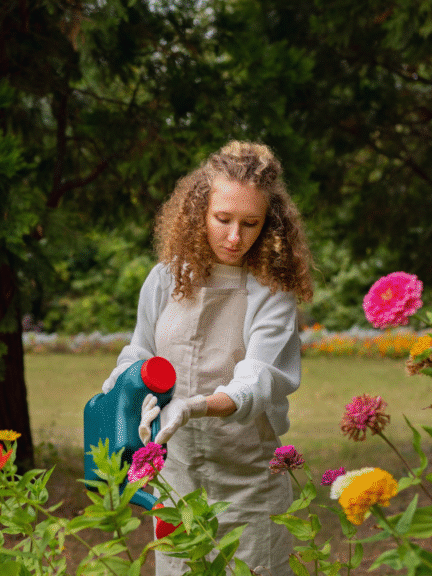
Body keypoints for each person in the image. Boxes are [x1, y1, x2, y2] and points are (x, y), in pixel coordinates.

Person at [101, 140, 313, 576]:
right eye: (223, 219)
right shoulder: (166, 278)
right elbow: (141, 349)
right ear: (198, 211)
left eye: (250, 223)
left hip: (248, 485)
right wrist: (124, 381)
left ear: (269, 225)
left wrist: (194, 405)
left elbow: (255, 381)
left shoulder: (271, 291)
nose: (235, 237)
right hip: (175, 479)